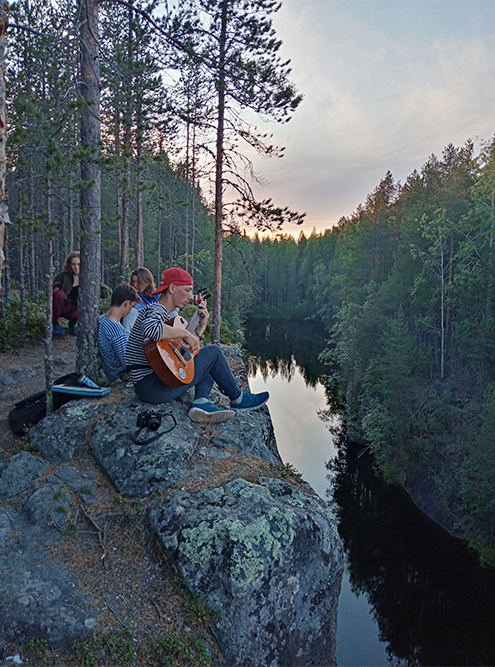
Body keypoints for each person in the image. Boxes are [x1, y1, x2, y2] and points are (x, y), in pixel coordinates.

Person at [125, 267, 269, 424]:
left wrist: (200, 328)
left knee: (201, 363)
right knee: (214, 352)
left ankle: (201, 403)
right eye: (187, 290)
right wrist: (186, 334)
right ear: (172, 288)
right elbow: (150, 328)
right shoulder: (156, 309)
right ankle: (238, 398)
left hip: (155, 382)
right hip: (152, 387)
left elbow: (181, 354)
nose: (191, 296)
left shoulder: (164, 314)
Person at [98, 283, 140, 382]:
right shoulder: (116, 329)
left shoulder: (101, 319)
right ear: (126, 303)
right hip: (119, 375)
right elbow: (128, 362)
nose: (130, 311)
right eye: (131, 307)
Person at [122, 267, 160, 333]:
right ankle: (128, 342)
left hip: (150, 328)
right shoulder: (126, 296)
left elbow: (171, 308)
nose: (135, 285)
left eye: (138, 282)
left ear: (147, 282)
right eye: (133, 282)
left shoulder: (156, 296)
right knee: (131, 312)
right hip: (131, 329)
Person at [53, 251, 80, 336]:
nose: (76, 267)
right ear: (69, 264)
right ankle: (55, 323)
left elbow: (105, 293)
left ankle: (73, 324)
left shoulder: (88, 277)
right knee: (59, 294)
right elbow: (52, 288)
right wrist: (54, 289)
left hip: (75, 308)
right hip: (62, 306)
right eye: (73, 264)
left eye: (78, 264)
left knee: (78, 312)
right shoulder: (63, 276)